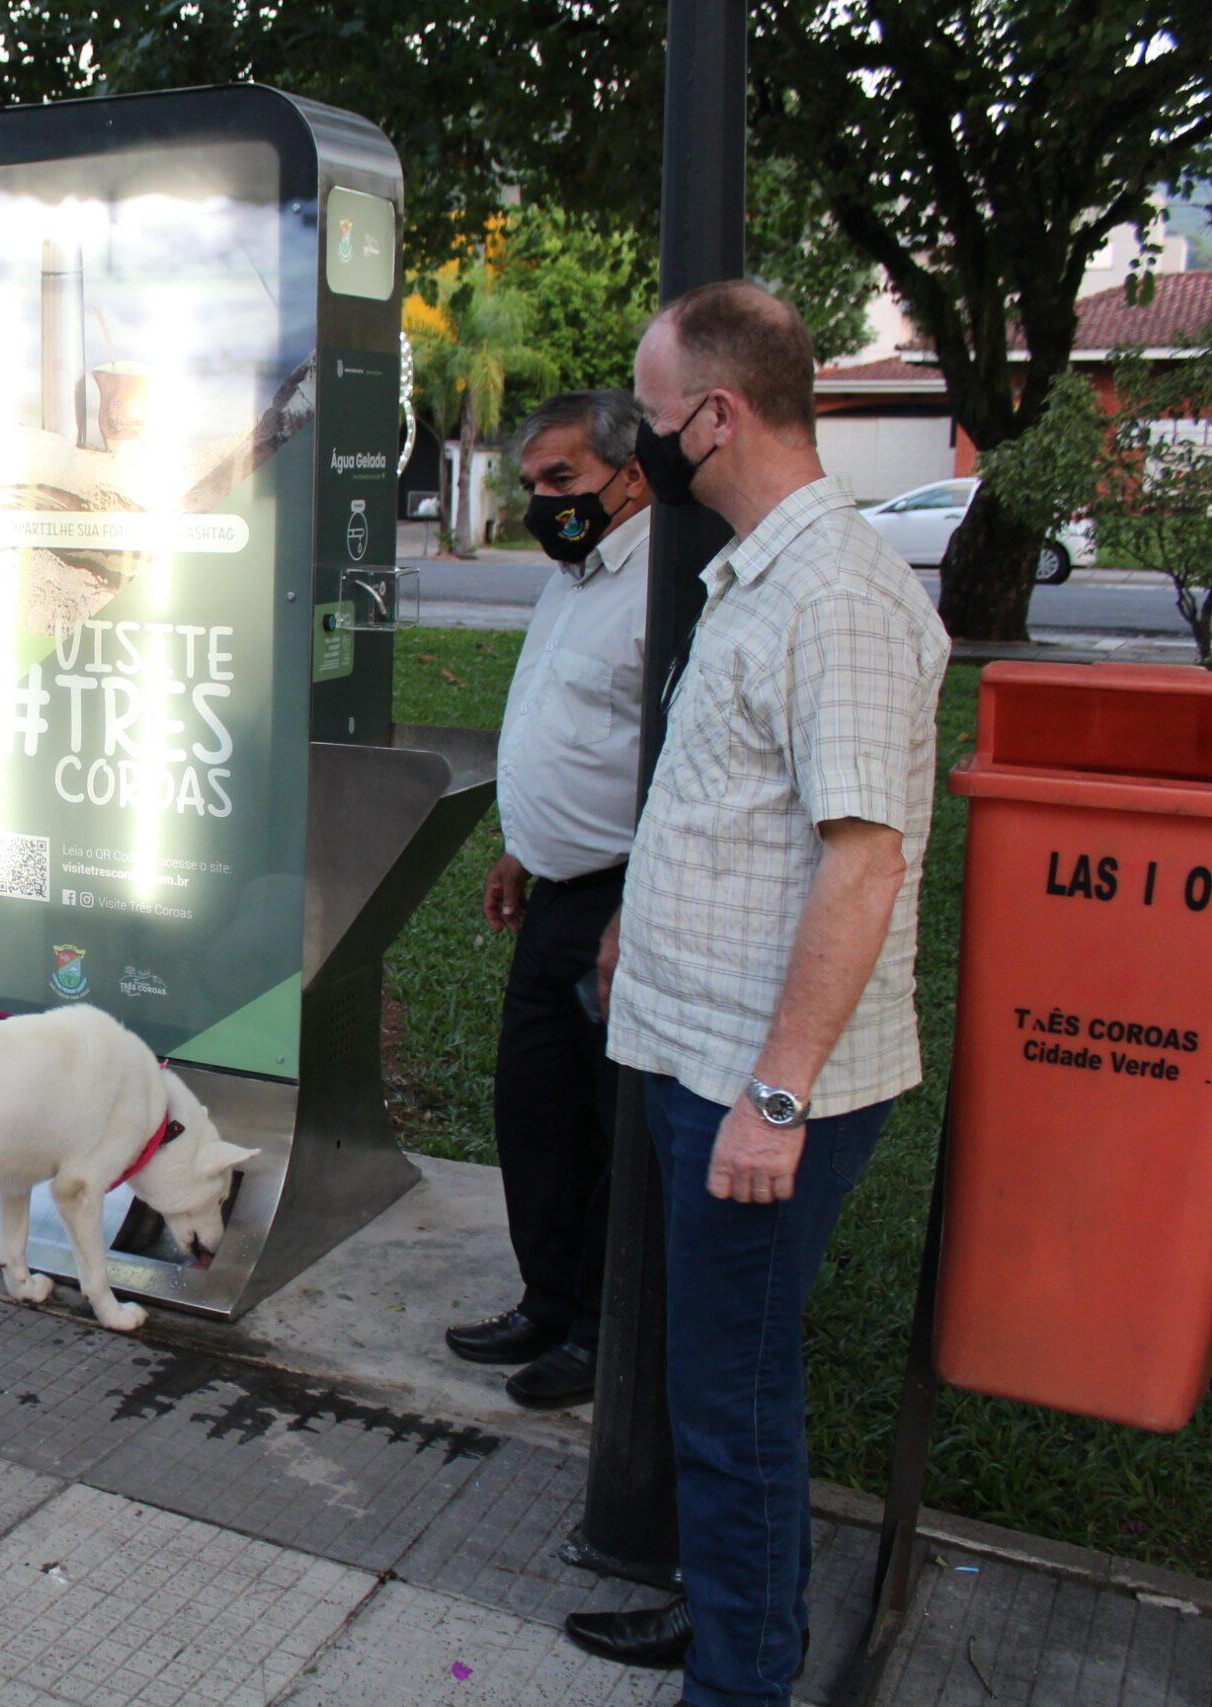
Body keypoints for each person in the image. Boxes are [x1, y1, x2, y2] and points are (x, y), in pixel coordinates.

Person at [566, 281, 947, 1707]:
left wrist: (775, 1097)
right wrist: (632, 926)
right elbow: (741, 811)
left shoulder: (838, 597)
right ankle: (735, 1620)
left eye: (652, 420)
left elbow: (861, 863)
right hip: (696, 1055)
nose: (640, 444)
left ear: (717, 416)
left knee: (731, 1401)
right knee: (712, 1380)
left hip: (758, 1086)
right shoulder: (763, 577)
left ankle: (743, 1677)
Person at [444, 389, 652, 1411]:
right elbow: (559, 726)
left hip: (624, 897)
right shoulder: (574, 575)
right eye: (531, 485)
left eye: (561, 481)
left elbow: (674, 762)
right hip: (554, 889)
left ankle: (601, 1331)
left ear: (632, 474)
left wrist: (634, 907)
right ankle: (548, 1297)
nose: (543, 503)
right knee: (536, 1111)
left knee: (615, 1128)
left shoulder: (670, 583)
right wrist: (520, 850)